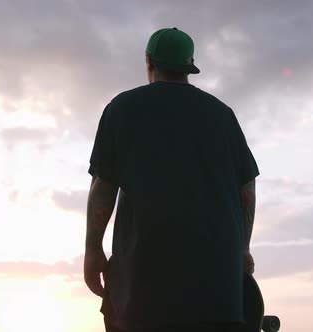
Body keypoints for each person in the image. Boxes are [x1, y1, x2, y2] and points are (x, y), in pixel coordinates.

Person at [83, 27, 260, 332]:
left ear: (148, 61)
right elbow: (246, 188)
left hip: (142, 292)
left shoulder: (123, 108)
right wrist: (243, 248)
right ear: (190, 65)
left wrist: (93, 250)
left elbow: (103, 188)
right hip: (217, 292)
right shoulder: (222, 115)